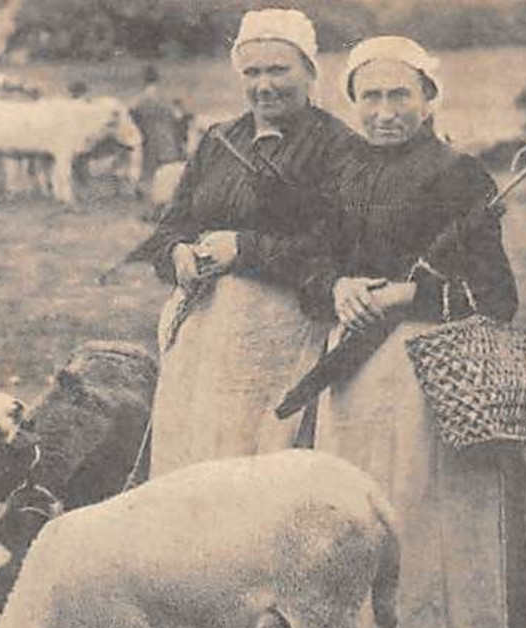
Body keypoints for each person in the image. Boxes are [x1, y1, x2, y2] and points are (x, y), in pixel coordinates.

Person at [298, 35, 526, 628]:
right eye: (369, 96)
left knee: (423, 525)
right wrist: (335, 285)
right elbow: (311, 267)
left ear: (428, 98)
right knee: (351, 524)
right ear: (350, 102)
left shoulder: (459, 176)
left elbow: (497, 297)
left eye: (399, 95)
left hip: (426, 378)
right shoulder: (339, 174)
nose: (384, 111)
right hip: (350, 378)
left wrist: (413, 295)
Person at [128, 8, 364, 476]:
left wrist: (244, 248)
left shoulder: (338, 146)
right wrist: (176, 253)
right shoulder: (219, 141)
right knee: (193, 459)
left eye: (279, 69)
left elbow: (339, 246)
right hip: (203, 340)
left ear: (310, 71)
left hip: (284, 339)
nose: (265, 85)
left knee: (256, 470)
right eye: (252, 72)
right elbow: (172, 224)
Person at [130, 64, 190, 197]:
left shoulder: (138, 100)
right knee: (167, 169)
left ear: (143, 80)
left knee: (149, 169)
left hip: (149, 138)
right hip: (167, 137)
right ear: (158, 79)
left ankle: (147, 193)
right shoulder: (166, 99)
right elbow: (180, 117)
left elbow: (131, 117)